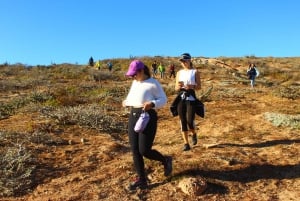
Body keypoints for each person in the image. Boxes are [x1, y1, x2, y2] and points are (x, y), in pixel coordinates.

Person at [122, 60, 172, 190]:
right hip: (133, 115)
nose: (132, 77)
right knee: (134, 150)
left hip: (147, 116)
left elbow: (163, 100)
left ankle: (165, 160)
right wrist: (126, 102)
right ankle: (141, 179)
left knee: (144, 150)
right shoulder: (134, 83)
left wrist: (152, 104)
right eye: (131, 75)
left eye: (134, 74)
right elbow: (132, 98)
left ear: (141, 71)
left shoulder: (153, 83)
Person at [174, 53, 201, 151]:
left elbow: (199, 87)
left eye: (185, 61)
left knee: (190, 120)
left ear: (190, 61)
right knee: (182, 121)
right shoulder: (179, 73)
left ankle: (194, 133)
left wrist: (191, 86)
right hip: (181, 97)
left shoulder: (195, 72)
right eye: (182, 61)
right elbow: (176, 88)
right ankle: (186, 143)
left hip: (191, 97)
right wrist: (179, 87)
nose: (184, 63)